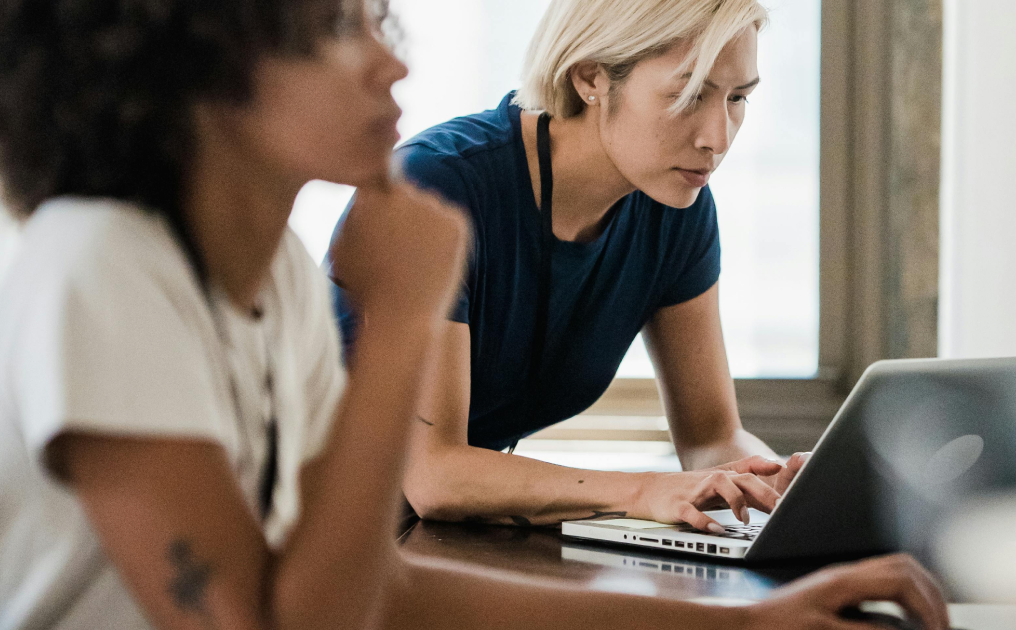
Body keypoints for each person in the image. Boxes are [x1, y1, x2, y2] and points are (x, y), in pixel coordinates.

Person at [0, 0, 951, 628]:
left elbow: (377, 586)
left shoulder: (277, 278)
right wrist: (407, 314)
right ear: (205, 81)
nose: (391, 64)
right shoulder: (101, 265)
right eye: (339, 30)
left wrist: (749, 620)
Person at [329, 0, 810, 533]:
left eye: (738, 98)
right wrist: (645, 490)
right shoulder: (439, 185)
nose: (717, 139)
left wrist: (787, 485)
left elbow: (711, 440)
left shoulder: (677, 205)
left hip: (430, 541)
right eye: (690, 94)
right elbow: (435, 475)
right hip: (305, 526)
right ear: (591, 79)